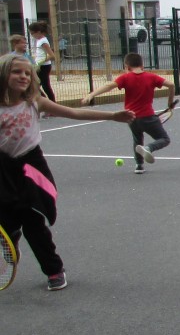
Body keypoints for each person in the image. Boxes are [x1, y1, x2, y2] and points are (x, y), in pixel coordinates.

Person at [0, 52, 134, 290]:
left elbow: (73, 113)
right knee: (6, 217)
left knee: (33, 220)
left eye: (27, 73)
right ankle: (10, 237)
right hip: (3, 167)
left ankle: (54, 269)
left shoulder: (35, 102)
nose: (23, 76)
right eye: (16, 72)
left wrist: (113, 115)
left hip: (31, 166)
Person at [81, 53, 176, 175]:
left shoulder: (125, 78)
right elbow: (171, 85)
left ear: (126, 66)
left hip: (131, 117)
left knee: (137, 139)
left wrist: (91, 95)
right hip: (148, 116)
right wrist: (170, 102)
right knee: (164, 139)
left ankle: (139, 165)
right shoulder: (151, 77)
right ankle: (149, 148)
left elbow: (109, 86)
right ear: (142, 65)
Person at [29, 21, 56, 105]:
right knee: (38, 86)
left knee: (41, 86)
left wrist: (40, 62)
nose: (32, 35)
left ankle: (50, 104)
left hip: (43, 67)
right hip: (41, 66)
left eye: (32, 33)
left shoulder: (43, 41)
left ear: (38, 32)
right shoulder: (40, 40)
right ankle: (49, 103)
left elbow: (52, 56)